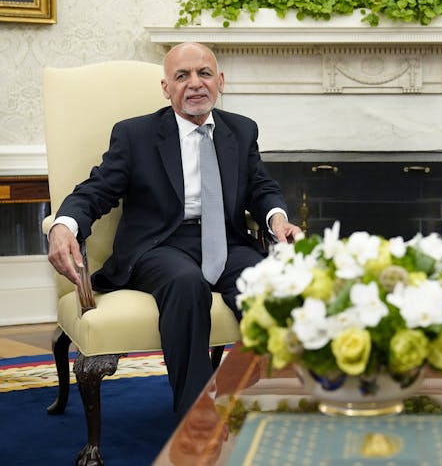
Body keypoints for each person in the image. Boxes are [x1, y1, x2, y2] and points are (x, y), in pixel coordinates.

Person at [47, 42, 302, 416]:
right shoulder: (136, 135)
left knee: (272, 284)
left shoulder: (242, 131)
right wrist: (64, 225)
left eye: (204, 73)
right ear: (166, 88)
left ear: (221, 81)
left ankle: (276, 408)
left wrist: (276, 217)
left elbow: (261, 187)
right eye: (182, 76)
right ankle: (196, 420)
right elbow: (97, 190)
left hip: (228, 242)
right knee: (186, 283)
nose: (195, 83)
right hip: (160, 245)